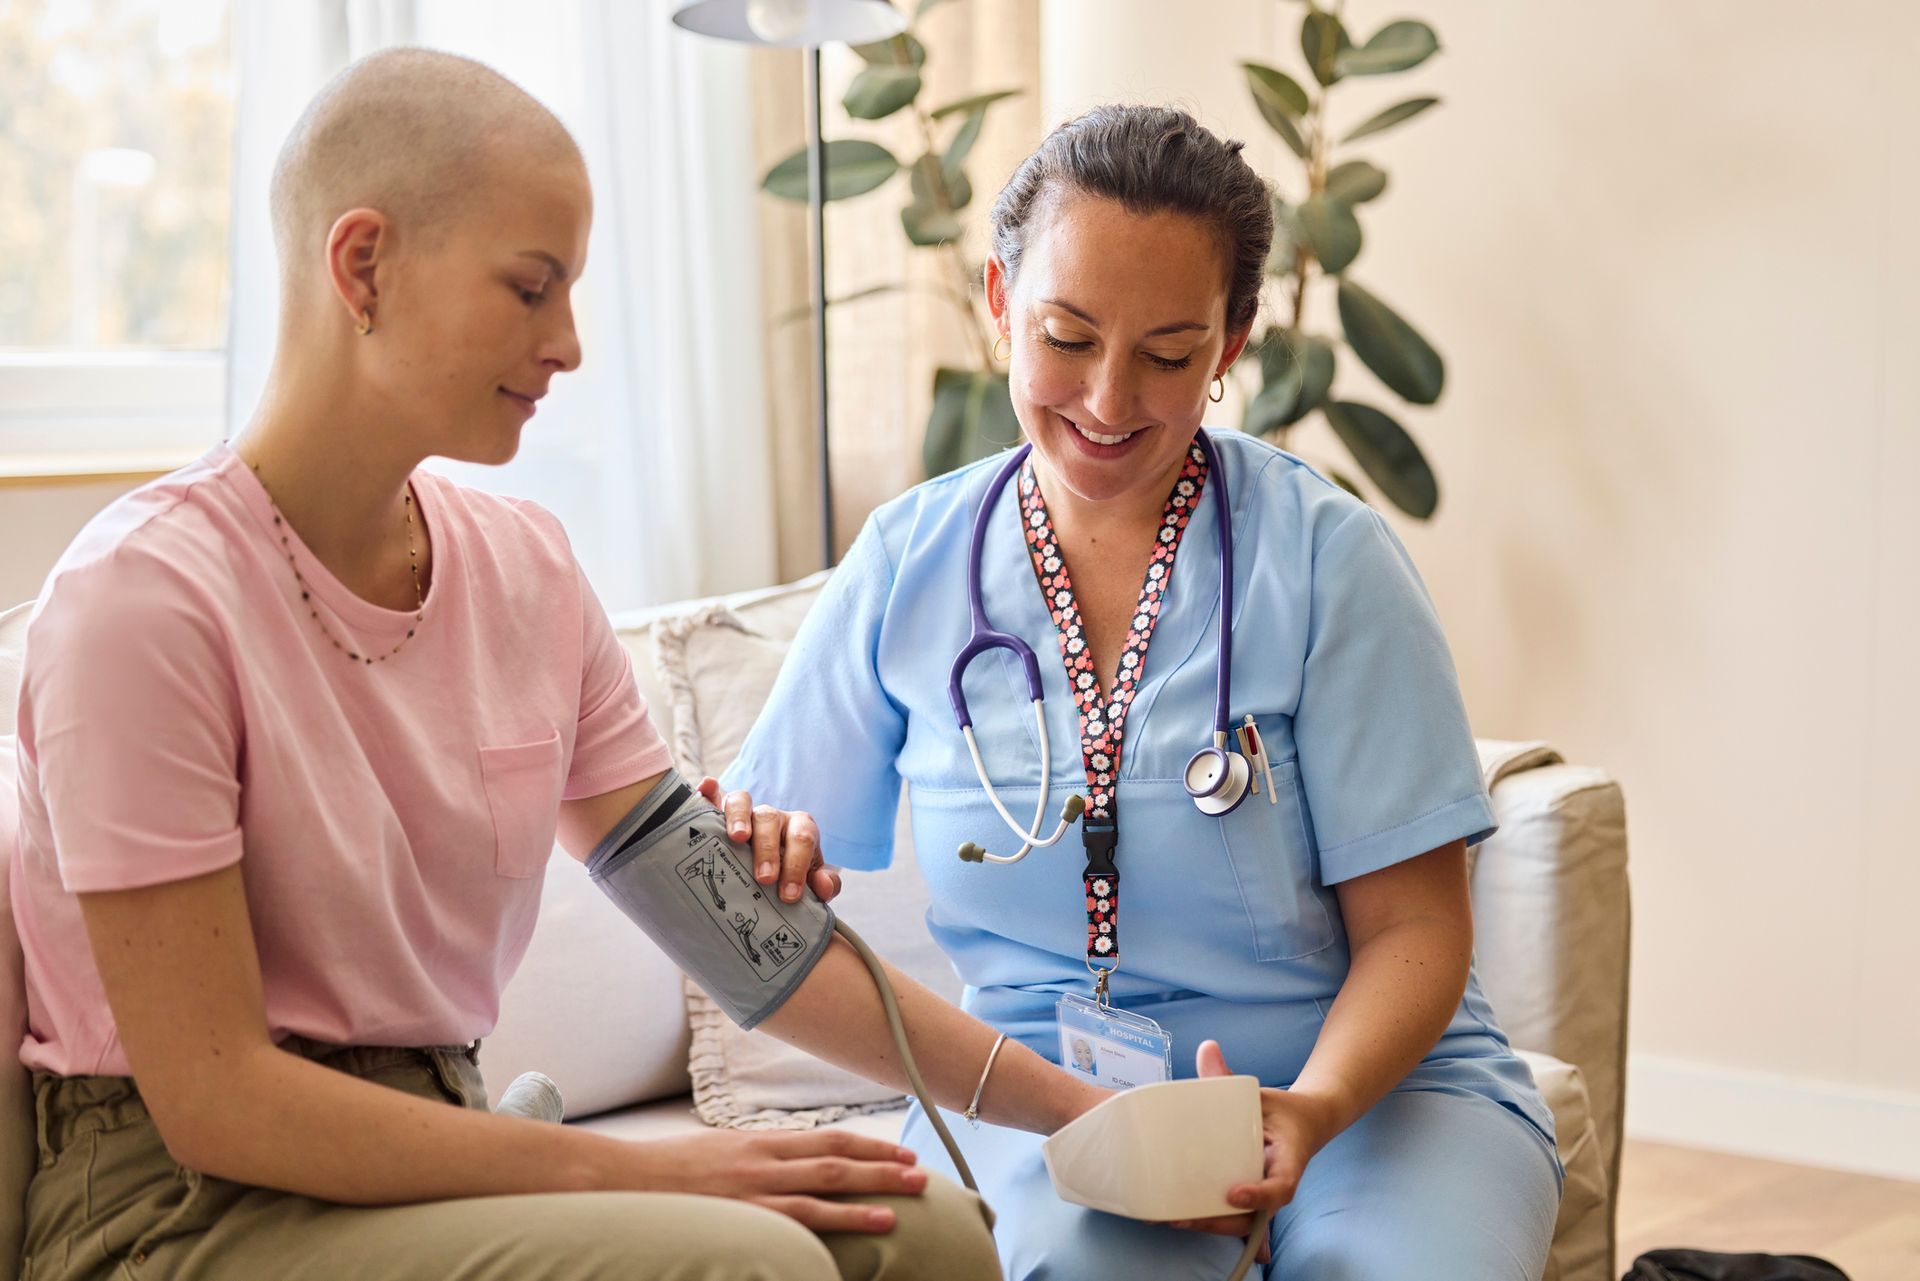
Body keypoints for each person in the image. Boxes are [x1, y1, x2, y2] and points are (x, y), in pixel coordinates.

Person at [7, 48, 1110, 1281]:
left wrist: (1077, 1112)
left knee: (928, 1237)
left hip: (439, 1146)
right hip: (184, 1204)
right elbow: (219, 1100)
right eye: (532, 289)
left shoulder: (522, 572)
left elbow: (748, 943)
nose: (570, 344)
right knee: (759, 1266)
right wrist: (651, 1169)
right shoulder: (142, 601)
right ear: (361, 264)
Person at [724, 104, 1565, 1279]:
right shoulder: (908, 566)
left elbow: (1419, 928)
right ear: (999, 301)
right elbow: (760, 874)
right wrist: (768, 843)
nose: (1110, 401)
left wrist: (1308, 1113)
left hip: (1368, 1093)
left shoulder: (1328, 559)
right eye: (1067, 336)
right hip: (1032, 1095)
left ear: (1230, 346)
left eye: (1169, 355)